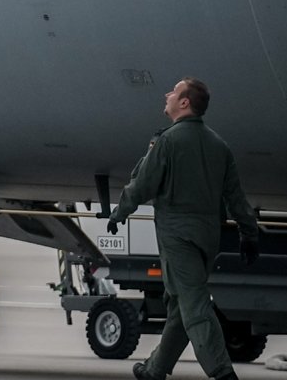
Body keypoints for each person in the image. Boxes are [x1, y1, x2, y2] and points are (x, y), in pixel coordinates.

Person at [106, 78, 263, 380]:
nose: (167, 95)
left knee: (194, 305)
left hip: (177, 237)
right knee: (180, 304)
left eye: (173, 92)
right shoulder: (220, 146)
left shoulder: (167, 142)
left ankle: (221, 372)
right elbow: (235, 197)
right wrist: (248, 234)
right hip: (207, 237)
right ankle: (155, 369)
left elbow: (143, 184)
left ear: (184, 102)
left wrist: (119, 213)